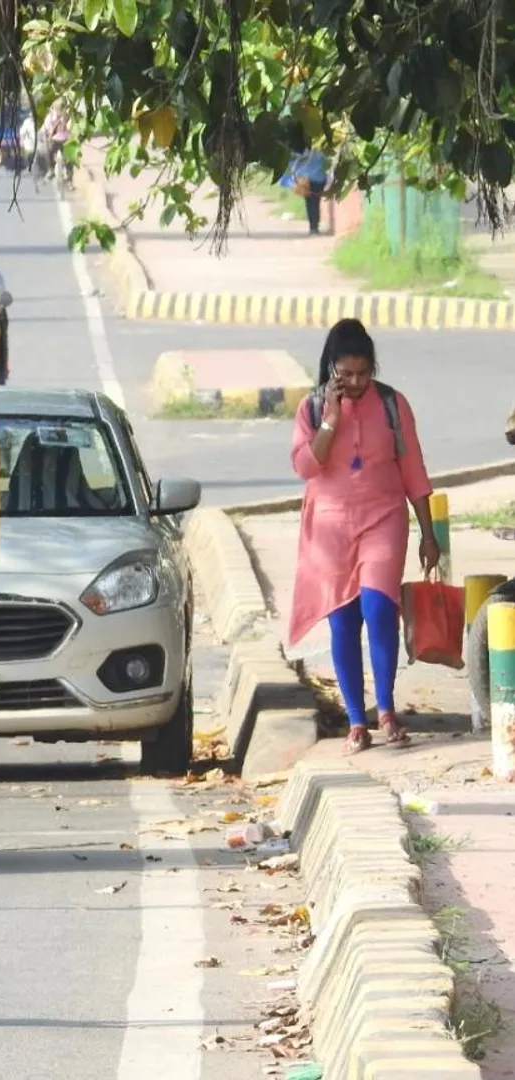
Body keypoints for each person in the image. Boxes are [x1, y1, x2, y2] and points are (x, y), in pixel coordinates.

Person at [289, 318, 437, 753]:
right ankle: (357, 721)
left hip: (383, 517)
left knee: (378, 606)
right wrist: (331, 420)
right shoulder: (312, 409)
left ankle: (386, 709)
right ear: (331, 368)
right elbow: (305, 467)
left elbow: (414, 471)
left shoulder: (393, 404)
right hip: (331, 525)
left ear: (374, 368)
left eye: (364, 373)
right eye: (346, 374)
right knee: (343, 620)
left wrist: (428, 533)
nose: (356, 382)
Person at [287, 149, 330, 235]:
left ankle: (313, 227)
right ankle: (314, 227)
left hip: (304, 178)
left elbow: (292, 160)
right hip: (319, 178)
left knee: (309, 202)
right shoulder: (321, 146)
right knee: (315, 201)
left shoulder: (300, 147)